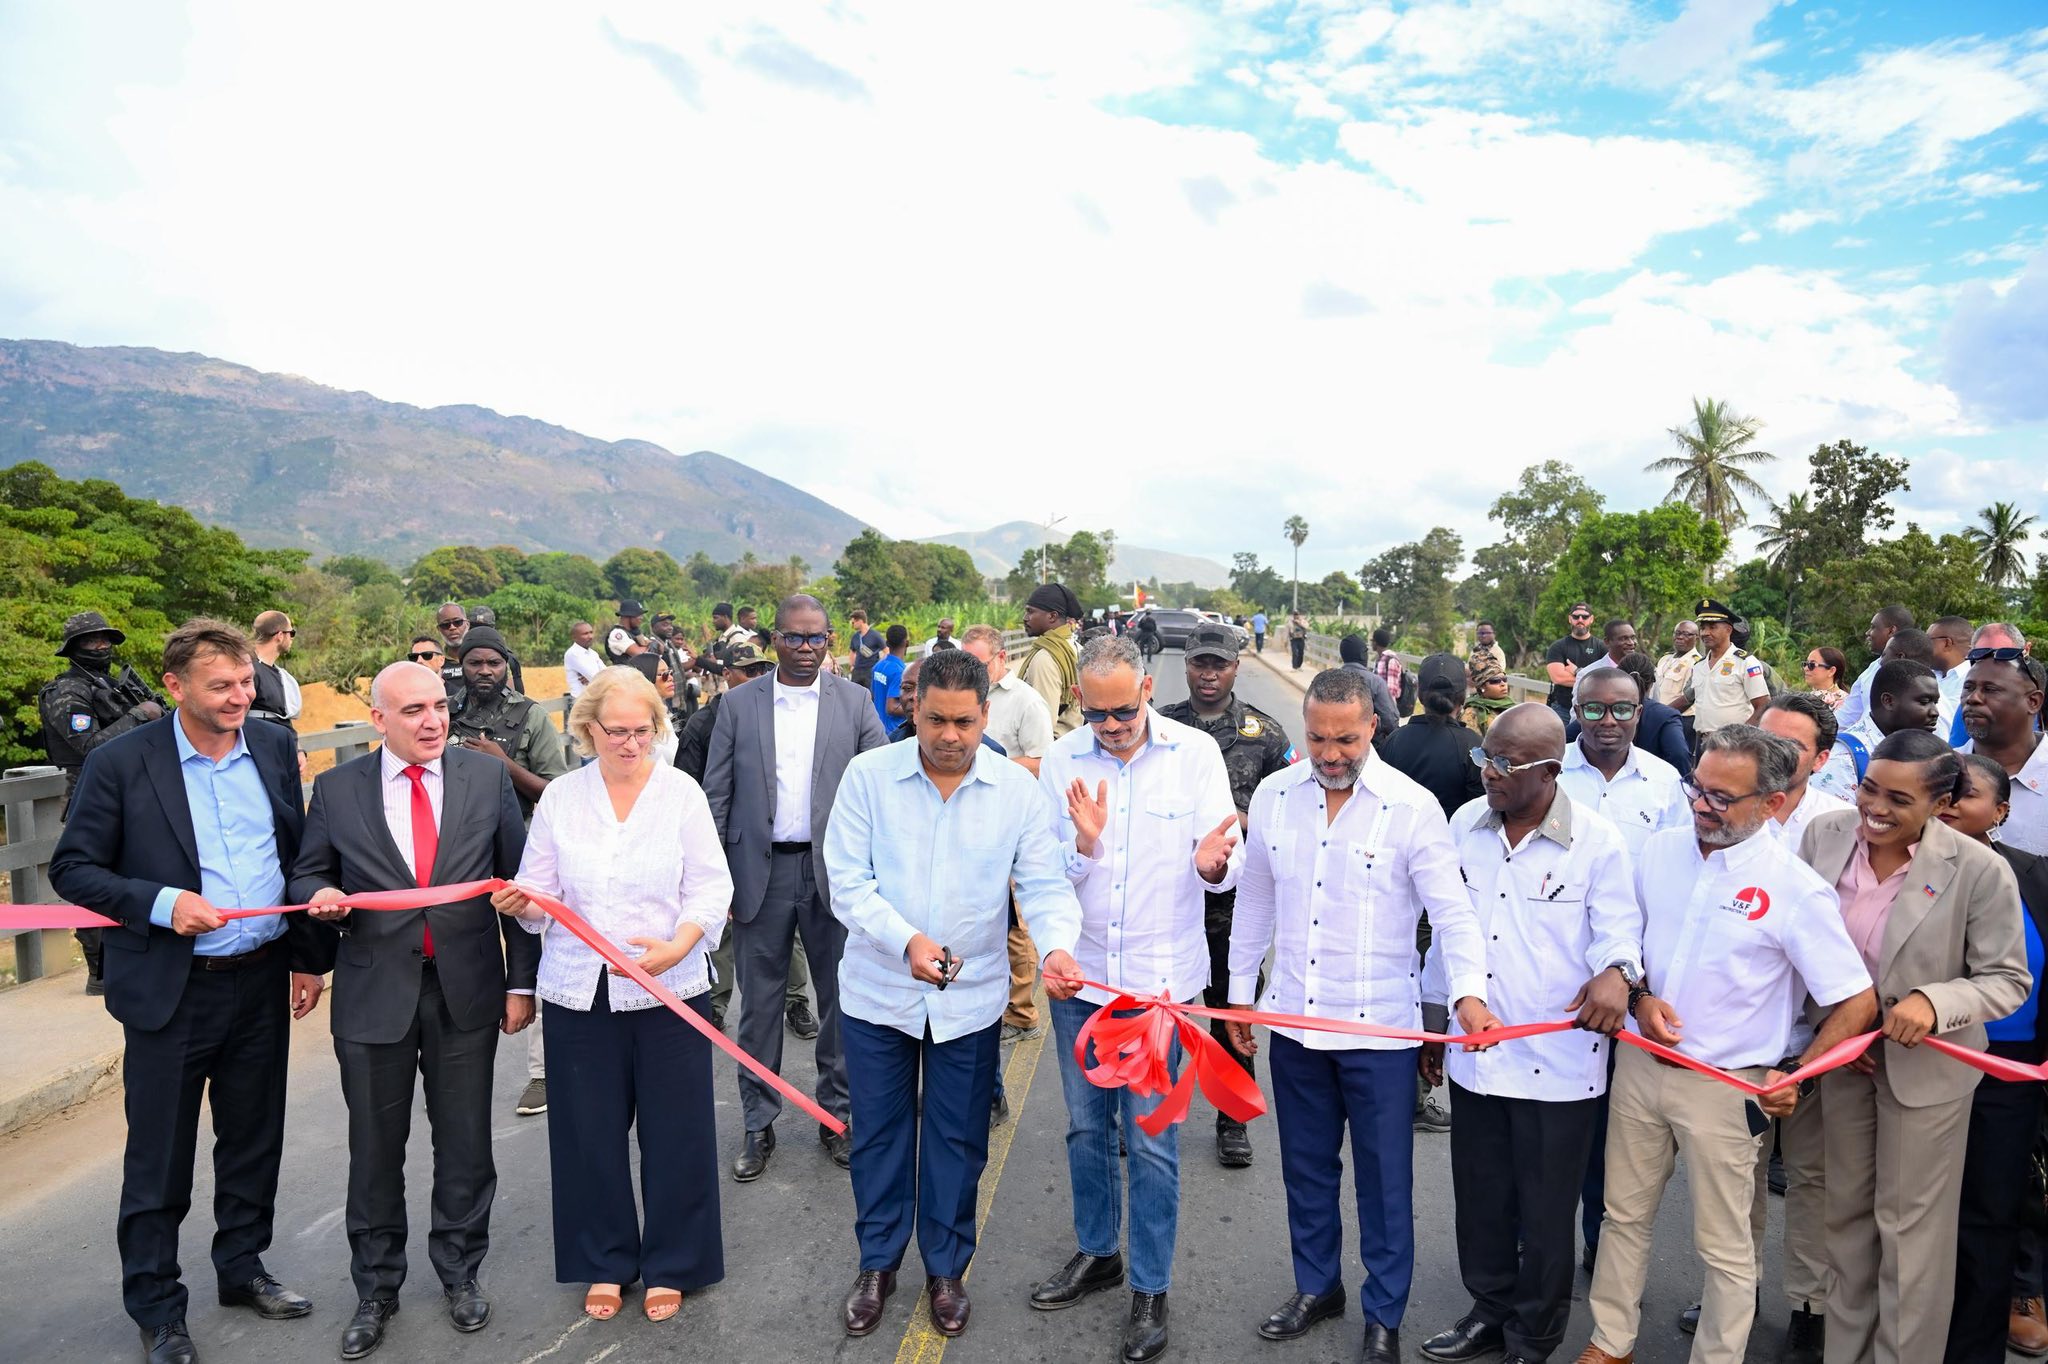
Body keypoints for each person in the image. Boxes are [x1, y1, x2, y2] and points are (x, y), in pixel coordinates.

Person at [48, 618, 330, 1364]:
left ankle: (242, 1270)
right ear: (175, 688)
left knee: (252, 1141)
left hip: (261, 976)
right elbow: (71, 869)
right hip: (173, 990)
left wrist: (307, 958)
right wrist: (161, 903)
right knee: (160, 1158)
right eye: (222, 687)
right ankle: (158, 1307)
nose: (241, 697)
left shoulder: (271, 745)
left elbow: (293, 853)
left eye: (246, 682)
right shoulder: (120, 762)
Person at [1572, 725, 1878, 1364]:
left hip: (1728, 1086)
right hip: (1638, 1067)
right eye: (1697, 790)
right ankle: (1611, 1343)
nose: (1701, 808)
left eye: (1721, 798)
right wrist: (1637, 995)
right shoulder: (1659, 852)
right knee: (1621, 1217)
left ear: (1769, 804)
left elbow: (1855, 1000)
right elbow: (1623, 937)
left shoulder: (1795, 890)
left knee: (1726, 1245)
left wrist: (1796, 1071)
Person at [1223, 667, 1499, 1364]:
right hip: (1295, 1024)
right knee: (1307, 1170)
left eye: (1345, 738)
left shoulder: (1411, 807)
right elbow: (1255, 896)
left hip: (1380, 1033)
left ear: (1374, 725)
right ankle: (1318, 1288)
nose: (1330, 753)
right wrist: (1237, 994)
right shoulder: (1279, 795)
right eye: (1317, 738)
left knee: (1384, 1181)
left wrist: (1467, 992)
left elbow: (1454, 913)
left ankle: (1384, 1314)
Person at [824, 647, 1086, 1342]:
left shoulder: (1015, 791)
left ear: (985, 716)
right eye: (935, 719)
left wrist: (1058, 945)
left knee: (957, 1139)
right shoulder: (868, 778)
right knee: (878, 1136)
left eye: (963, 723)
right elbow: (847, 882)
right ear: (915, 710)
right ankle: (877, 1265)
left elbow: (1044, 884)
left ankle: (946, 1268)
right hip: (879, 995)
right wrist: (905, 940)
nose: (948, 735)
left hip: (970, 1003)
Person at [290, 661, 535, 1358]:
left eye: (438, 706)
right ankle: (376, 1289)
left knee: (464, 1143)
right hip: (373, 993)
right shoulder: (336, 791)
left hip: (466, 988)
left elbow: (518, 887)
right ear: (379, 720)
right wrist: (323, 900)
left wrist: (522, 985)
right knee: (374, 1148)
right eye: (413, 711)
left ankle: (460, 1272)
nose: (432, 721)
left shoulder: (485, 779)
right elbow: (310, 871)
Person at [489, 667, 731, 1326]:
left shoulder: (680, 794)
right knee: (587, 1135)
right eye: (616, 731)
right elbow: (540, 893)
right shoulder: (564, 800)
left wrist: (679, 946)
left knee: (676, 1132)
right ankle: (605, 1260)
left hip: (670, 993)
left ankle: (674, 1263)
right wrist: (523, 903)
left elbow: (712, 888)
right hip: (578, 994)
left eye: (642, 731)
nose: (630, 744)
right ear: (587, 729)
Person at [1031, 633, 1244, 1364]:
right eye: (1096, 715)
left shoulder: (1194, 756)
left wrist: (1215, 864)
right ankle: (1100, 1253)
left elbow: (1223, 858)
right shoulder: (1062, 761)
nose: (1112, 726)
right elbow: (1046, 874)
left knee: (1152, 1145)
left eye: (1123, 710)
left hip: (1161, 990)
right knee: (1087, 1130)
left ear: (1147, 689)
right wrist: (1083, 848)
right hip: (1082, 981)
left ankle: (1150, 1287)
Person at [1797, 729, 2031, 1364]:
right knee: (1845, 1227)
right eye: (1869, 788)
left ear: (1942, 803)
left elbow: (2007, 980)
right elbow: (1802, 936)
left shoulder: (1979, 869)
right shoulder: (1826, 835)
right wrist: (1828, 1025)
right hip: (1847, 1063)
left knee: (1909, 1239)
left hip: (1925, 1074)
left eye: (1899, 800)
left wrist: (1933, 1003)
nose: (1875, 809)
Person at [1419, 703, 1639, 1364]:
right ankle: (1488, 1310)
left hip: (1558, 1065)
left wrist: (1617, 974)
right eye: (1485, 758)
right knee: (1482, 1199)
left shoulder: (1598, 842)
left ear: (1550, 770)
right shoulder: (1465, 826)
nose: (1488, 772)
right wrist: (1434, 1025)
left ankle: (1532, 1336)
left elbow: (1621, 933)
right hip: (1475, 1055)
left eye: (1505, 763)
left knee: (1545, 1216)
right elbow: (1444, 936)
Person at [704, 595, 889, 1179]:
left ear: (830, 639)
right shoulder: (736, 705)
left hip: (837, 873)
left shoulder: (856, 703)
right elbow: (717, 795)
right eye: (793, 638)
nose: (805, 649)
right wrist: (717, 880)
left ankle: (838, 1118)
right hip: (759, 873)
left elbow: (882, 790)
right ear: (773, 641)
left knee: (841, 1001)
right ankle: (759, 1124)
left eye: (815, 639)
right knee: (758, 1005)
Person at [1156, 624, 1296, 1169]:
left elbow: (1293, 806)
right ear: (1186, 665)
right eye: (1199, 664)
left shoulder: (1264, 734)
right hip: (1167, 895)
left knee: (1229, 1010)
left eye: (1219, 664)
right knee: (1155, 1010)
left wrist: (1245, 821)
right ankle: (1141, 1108)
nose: (1208, 674)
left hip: (1231, 907)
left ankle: (1232, 1119)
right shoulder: (1160, 725)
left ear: (1236, 666)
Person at [1937, 753, 2048, 1363]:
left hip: (2007, 1077)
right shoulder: (1897, 869)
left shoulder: (2034, 877)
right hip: (1913, 1066)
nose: (1949, 801)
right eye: (1941, 789)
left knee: (1988, 1212)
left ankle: (1972, 1349)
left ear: (2002, 812)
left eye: (1966, 793)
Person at [673, 644, 810, 1034]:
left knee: (792, 933)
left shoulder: (778, 715)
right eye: (746, 670)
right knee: (723, 929)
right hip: (722, 840)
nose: (754, 677)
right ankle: (715, 1004)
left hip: (773, 844)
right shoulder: (704, 722)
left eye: (760, 670)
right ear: (727, 674)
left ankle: (797, 1002)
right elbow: (690, 787)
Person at [39, 609, 168, 995]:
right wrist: (138, 716)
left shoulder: (109, 684)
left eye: (106, 639)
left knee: (141, 873)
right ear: (74, 648)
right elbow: (91, 747)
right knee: (94, 880)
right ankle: (100, 972)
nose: (102, 646)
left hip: (134, 792)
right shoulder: (66, 692)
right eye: (92, 641)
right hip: (89, 796)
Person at [959, 625, 1058, 1046]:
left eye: (977, 663)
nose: (970, 670)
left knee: (1016, 923)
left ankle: (1021, 1013)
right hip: (969, 821)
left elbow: (1043, 761)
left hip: (1011, 823)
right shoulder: (962, 694)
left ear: (1000, 659)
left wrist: (990, 766)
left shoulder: (1025, 701)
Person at [1557, 667, 1688, 860]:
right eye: (1594, 709)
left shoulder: (1666, 782)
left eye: (1622, 710)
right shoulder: (1550, 771)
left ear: (1638, 713)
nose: (1608, 721)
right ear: (1578, 712)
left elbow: (1675, 857)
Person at [448, 627, 571, 818]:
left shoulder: (532, 715)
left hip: (511, 834)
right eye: (475, 663)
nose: (485, 671)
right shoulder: (443, 711)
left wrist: (504, 764)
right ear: (461, 665)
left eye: (494, 663)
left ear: (505, 665)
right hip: (452, 833)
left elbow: (557, 793)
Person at [1810, 657, 1941, 802]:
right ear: (1888, 701)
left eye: (1935, 702)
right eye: (1924, 702)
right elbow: (1833, 823)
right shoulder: (1843, 760)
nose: (1935, 712)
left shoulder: (1925, 752)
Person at [1958, 648, 2048, 854]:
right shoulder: (1938, 769)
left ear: (2033, 702)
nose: (1973, 698)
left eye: (1990, 689)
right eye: (1968, 687)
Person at [1378, 653, 1484, 821]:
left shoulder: (1393, 740)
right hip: (1453, 843)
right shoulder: (1474, 746)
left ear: (1420, 695)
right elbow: (1481, 810)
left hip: (1402, 841)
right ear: (1463, 696)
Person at [1675, 598, 1769, 746]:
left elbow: (1763, 706)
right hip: (1701, 742)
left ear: (1728, 630)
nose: (1705, 633)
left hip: (1733, 744)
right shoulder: (1699, 666)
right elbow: (1687, 700)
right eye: (1703, 627)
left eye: (1712, 627)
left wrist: (1741, 737)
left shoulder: (1745, 662)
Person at [1019, 583, 1085, 735]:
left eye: (1030, 612)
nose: (1025, 618)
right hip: (1072, 740)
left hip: (1048, 747)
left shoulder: (1046, 657)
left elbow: (1043, 722)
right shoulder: (1076, 648)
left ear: (1052, 616)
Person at [1835, 603, 1913, 729]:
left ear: (1891, 631)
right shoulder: (1872, 669)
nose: (1868, 633)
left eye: (1873, 627)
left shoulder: (1921, 674)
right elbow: (1845, 716)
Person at [1336, 633, 1404, 742]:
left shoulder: (1330, 679)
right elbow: (1390, 720)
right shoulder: (1375, 682)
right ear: (1363, 655)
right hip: (1368, 744)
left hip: (1335, 739)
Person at [1544, 603, 1605, 721]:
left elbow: (1607, 678)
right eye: (1576, 617)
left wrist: (1577, 671)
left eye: (1585, 617)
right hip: (1562, 709)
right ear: (1570, 619)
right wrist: (1593, 680)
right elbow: (1558, 678)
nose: (1580, 620)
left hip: (1594, 710)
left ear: (1591, 619)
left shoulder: (1602, 647)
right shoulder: (1558, 647)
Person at [247, 611, 301, 732]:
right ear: (280, 635)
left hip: (284, 746)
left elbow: (284, 722)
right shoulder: (249, 669)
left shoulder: (280, 675)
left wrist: (298, 749)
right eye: (291, 633)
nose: (292, 638)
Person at [870, 624, 911, 737]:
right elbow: (892, 708)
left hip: (878, 729)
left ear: (887, 643)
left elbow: (872, 697)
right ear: (906, 643)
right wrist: (918, 710)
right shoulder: (900, 672)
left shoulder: (878, 666)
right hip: (893, 732)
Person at [1461, 662, 1513, 739]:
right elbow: (1473, 743)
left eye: (1504, 679)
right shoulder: (1471, 713)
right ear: (1482, 686)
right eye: (1495, 681)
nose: (1503, 684)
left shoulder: (1512, 706)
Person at [433, 602, 471, 694]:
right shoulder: (434, 661)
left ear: (467, 624)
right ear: (439, 629)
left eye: (457, 622)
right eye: (445, 625)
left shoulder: (483, 655)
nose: (452, 628)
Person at [1371, 626, 1407, 715]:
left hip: (1387, 710)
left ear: (1376, 642)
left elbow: (1391, 691)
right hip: (1380, 707)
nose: (1372, 644)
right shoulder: (1381, 658)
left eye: (1372, 641)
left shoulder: (1391, 660)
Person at [563, 621, 603, 700]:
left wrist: (595, 677)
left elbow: (607, 672)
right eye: (585, 634)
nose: (590, 636)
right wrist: (595, 676)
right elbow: (593, 676)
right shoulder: (573, 653)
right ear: (574, 637)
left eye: (591, 632)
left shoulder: (593, 653)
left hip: (594, 698)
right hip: (581, 701)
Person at [847, 609, 884, 689]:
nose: (852, 625)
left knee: (871, 694)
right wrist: (851, 666)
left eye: (853, 623)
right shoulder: (855, 637)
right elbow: (852, 652)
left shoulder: (875, 635)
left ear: (860, 621)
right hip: (857, 670)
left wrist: (880, 665)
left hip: (870, 670)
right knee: (855, 693)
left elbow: (886, 650)